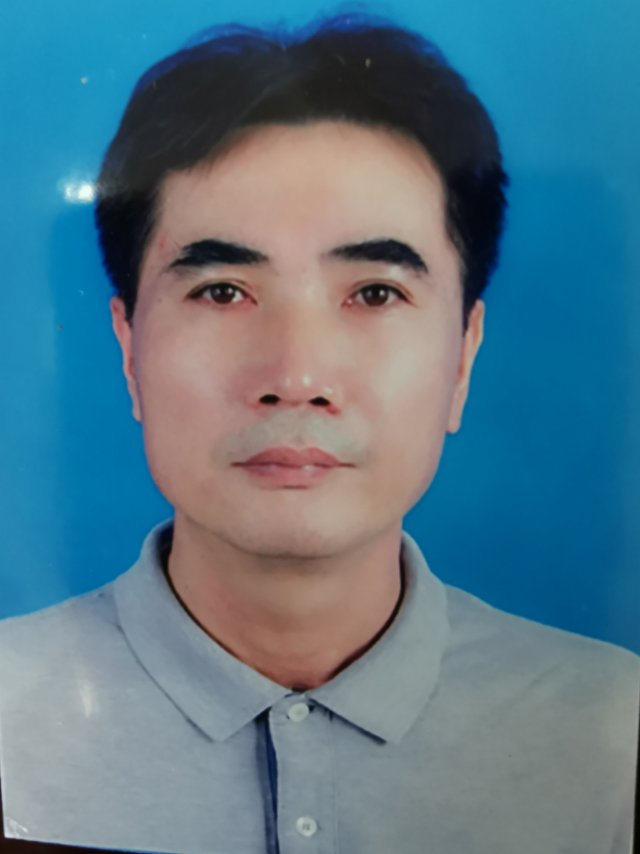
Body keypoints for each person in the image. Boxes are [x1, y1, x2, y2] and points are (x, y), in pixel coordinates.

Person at [0, 13, 638, 854]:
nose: (296, 376)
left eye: (374, 293)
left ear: (463, 357)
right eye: (222, 291)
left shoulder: (611, 733)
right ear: (128, 350)